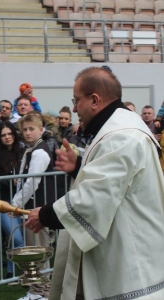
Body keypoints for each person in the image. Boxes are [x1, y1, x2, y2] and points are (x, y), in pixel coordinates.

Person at [25, 66, 164, 300]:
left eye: (76, 100)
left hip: (129, 263)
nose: (75, 107)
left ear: (95, 100)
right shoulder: (120, 126)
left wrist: (46, 215)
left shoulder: (121, 134)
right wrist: (79, 165)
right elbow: (118, 180)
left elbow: (95, 199)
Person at [12, 113, 55, 300]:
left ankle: (41, 291)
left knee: (38, 251)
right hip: (34, 207)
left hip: (37, 208)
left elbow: (32, 182)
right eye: (25, 129)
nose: (27, 133)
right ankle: (38, 290)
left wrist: (16, 203)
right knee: (36, 249)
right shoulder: (32, 150)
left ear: (41, 130)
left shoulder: (39, 152)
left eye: (32, 129)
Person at [0, 121, 24, 278]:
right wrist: (10, 181)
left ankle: (11, 271)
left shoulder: (22, 151)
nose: (7, 137)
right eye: (3, 135)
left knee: (17, 238)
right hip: (3, 201)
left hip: (22, 200)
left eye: (9, 134)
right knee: (16, 238)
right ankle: (24, 272)